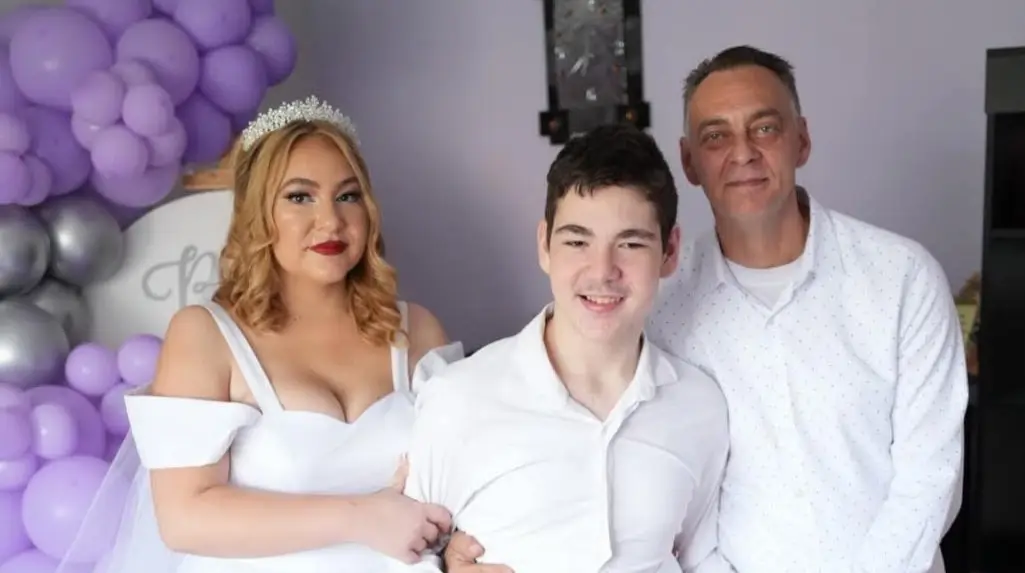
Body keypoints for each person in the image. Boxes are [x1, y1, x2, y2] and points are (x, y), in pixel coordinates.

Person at [445, 46, 968, 573]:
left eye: (765, 128)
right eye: (716, 136)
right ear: (690, 160)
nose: (742, 153)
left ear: (802, 139)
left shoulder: (901, 278)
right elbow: (583, 439)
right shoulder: (654, 299)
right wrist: (451, 547)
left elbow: (930, 479)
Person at [59, 96, 463, 573]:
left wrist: (461, 552)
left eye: (348, 195)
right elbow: (184, 518)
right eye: (299, 197)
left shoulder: (418, 332)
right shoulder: (206, 336)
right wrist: (362, 517)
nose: (330, 221)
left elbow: (468, 473)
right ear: (257, 212)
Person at [402, 124, 731, 573]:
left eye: (630, 243)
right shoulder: (456, 399)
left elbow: (702, 559)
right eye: (577, 241)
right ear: (544, 245)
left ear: (670, 252)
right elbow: (406, 557)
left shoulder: (699, 406)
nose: (602, 271)